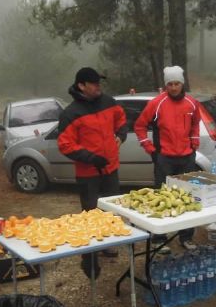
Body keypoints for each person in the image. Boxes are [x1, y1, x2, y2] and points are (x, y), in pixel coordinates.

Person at [57, 67, 128, 278]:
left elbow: (121, 119)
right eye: (94, 83)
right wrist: (90, 157)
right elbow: (65, 145)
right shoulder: (71, 113)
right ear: (82, 86)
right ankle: (90, 255)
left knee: (111, 210)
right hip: (88, 173)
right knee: (90, 214)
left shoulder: (108, 102)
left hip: (111, 168)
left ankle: (107, 245)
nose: (99, 86)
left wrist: (121, 134)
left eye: (99, 83)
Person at [134, 65, 201, 253]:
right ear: (166, 85)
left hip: (187, 157)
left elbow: (196, 122)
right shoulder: (157, 103)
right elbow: (139, 126)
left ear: (182, 83)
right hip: (164, 157)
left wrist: (194, 140)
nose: (173, 87)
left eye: (177, 83)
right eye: (170, 84)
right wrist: (149, 148)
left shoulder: (192, 102)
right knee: (162, 197)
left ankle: (186, 237)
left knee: (187, 196)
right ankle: (159, 238)